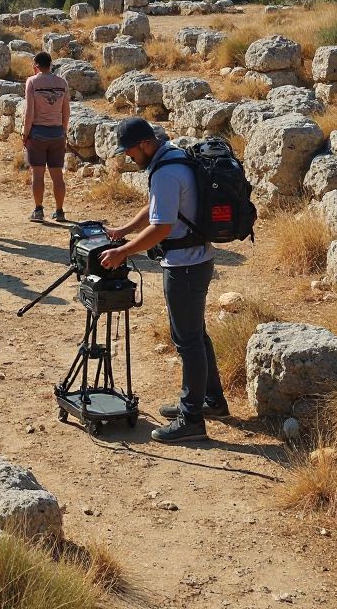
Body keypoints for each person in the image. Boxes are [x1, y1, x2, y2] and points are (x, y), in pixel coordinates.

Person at [99, 117, 228, 443]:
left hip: (184, 267)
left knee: (187, 341)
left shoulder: (166, 172)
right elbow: (155, 208)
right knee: (196, 335)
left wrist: (123, 252)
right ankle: (212, 400)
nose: (128, 158)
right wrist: (123, 231)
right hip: (199, 259)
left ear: (144, 143)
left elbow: (161, 227)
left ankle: (192, 420)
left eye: (129, 151)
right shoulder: (171, 156)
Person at [22, 51, 70, 222]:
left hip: (38, 133)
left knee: (38, 174)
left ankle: (38, 210)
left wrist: (25, 133)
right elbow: (66, 111)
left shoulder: (33, 82)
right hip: (57, 132)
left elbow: (29, 111)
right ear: (50, 64)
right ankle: (59, 211)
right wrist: (63, 131)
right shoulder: (62, 83)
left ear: (36, 66)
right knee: (57, 175)